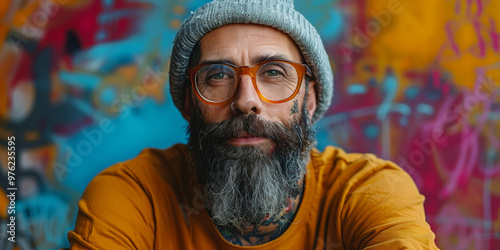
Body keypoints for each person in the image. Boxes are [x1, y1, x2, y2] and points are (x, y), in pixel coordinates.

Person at [67, 0, 438, 249]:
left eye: (274, 73)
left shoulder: (367, 192)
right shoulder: (134, 196)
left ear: (308, 101)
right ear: (188, 103)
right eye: (217, 75)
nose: (246, 100)